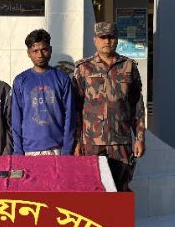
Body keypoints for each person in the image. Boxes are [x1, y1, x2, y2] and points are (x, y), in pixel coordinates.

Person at [73, 22, 146, 191]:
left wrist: (140, 138)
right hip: (92, 142)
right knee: (92, 188)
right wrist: (76, 141)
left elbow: (137, 105)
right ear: (95, 40)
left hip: (120, 141)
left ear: (117, 40)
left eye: (111, 37)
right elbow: (76, 107)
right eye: (102, 37)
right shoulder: (83, 68)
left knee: (120, 188)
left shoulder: (128, 66)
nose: (107, 41)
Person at [11, 29, 74, 156]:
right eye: (35, 51)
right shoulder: (20, 80)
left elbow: (70, 115)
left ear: (50, 50)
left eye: (44, 49)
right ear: (29, 53)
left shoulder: (62, 78)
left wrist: (67, 149)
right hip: (29, 150)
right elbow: (16, 118)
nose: (40, 54)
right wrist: (18, 151)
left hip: (57, 148)